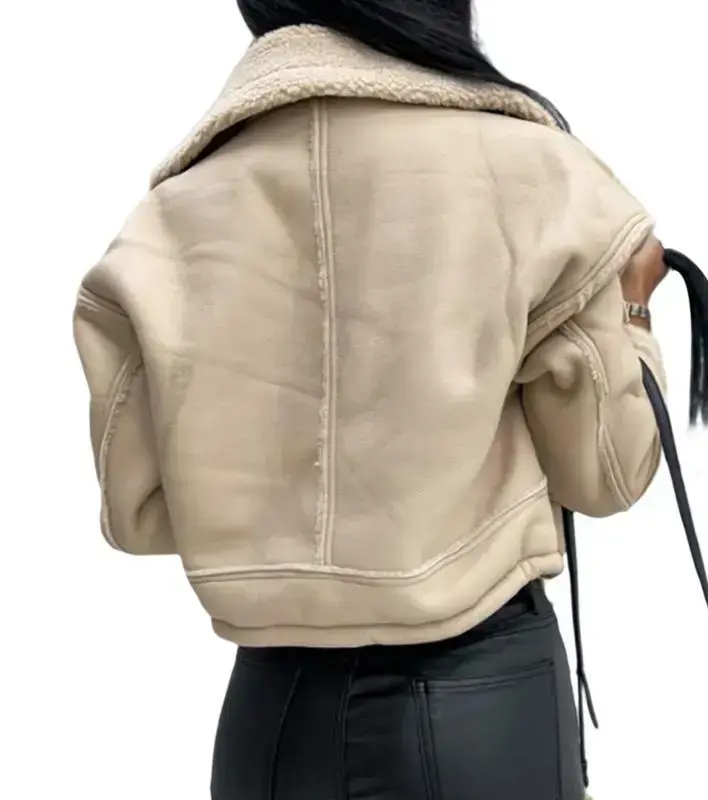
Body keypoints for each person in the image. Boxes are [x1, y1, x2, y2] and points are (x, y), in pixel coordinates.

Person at [72, 1, 668, 798]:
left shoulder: (170, 214)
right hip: (477, 708)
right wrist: (633, 311)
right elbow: (606, 472)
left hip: (271, 722)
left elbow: (139, 511)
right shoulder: (539, 176)